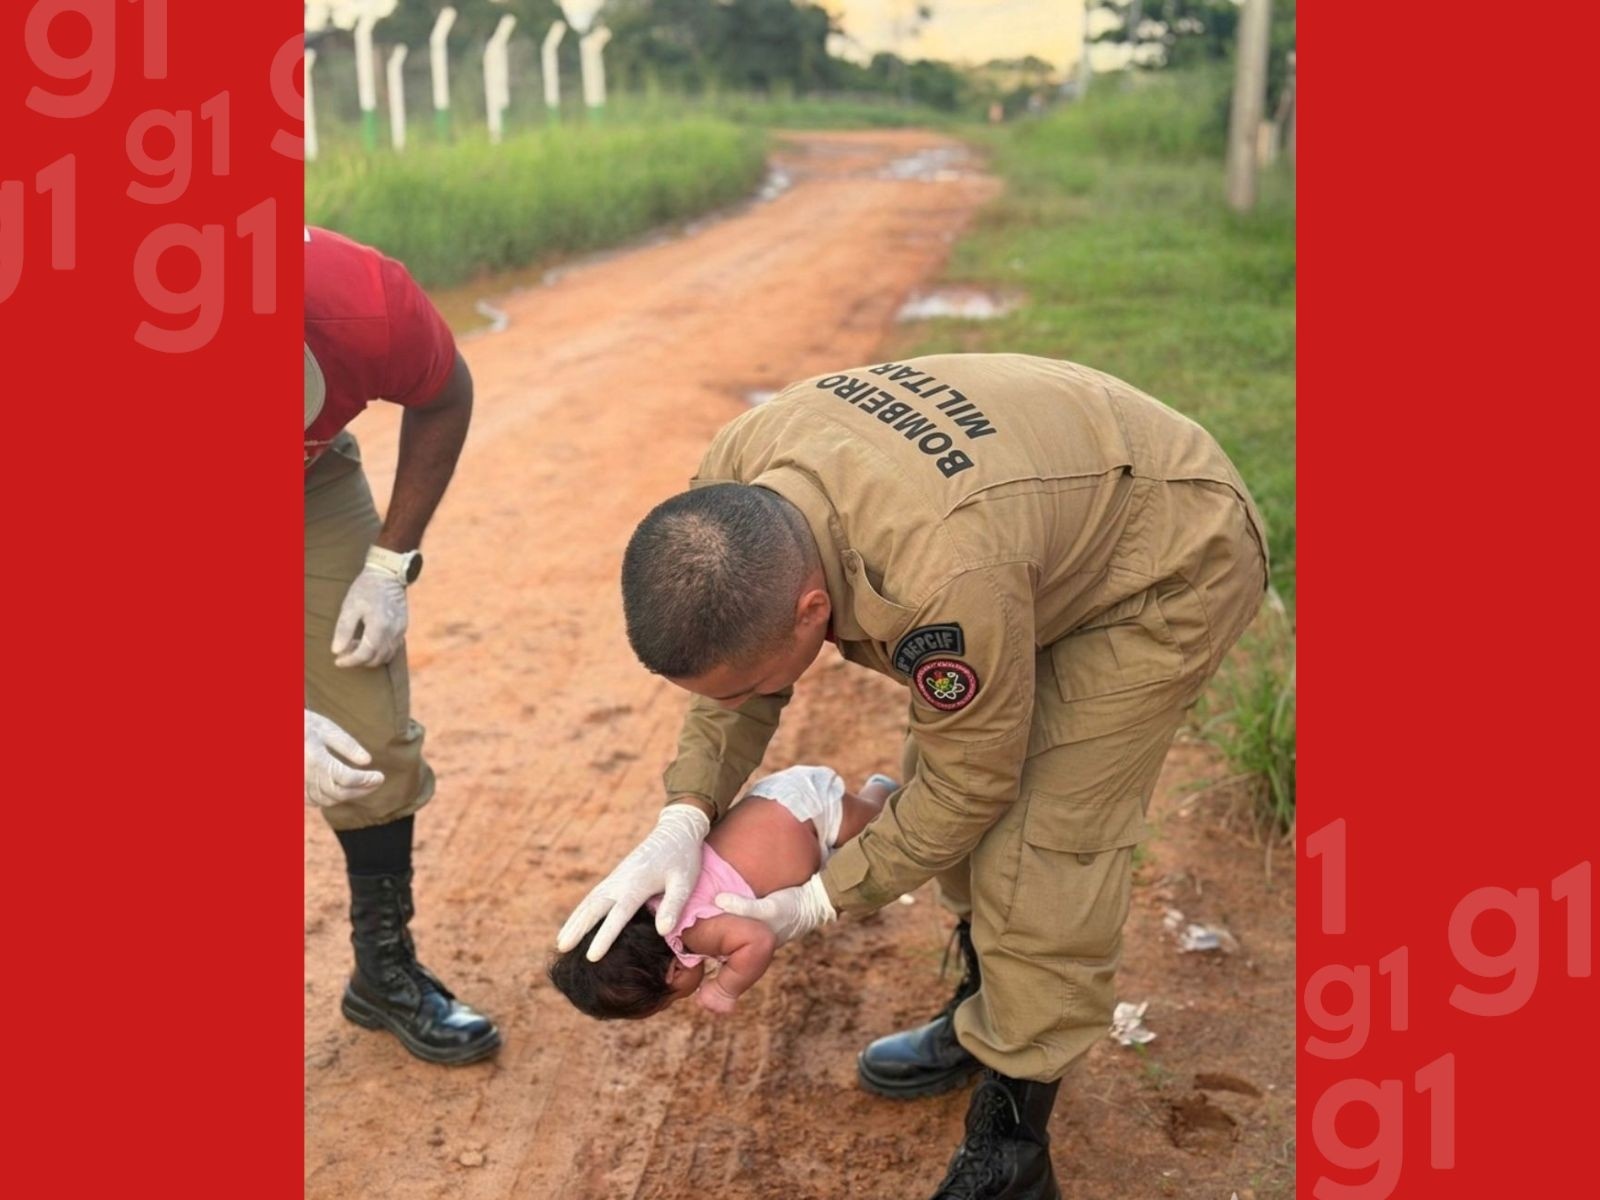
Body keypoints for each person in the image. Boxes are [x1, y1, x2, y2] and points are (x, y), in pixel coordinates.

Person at [558, 353, 1268, 1198]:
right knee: (938, 781)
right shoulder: (732, 492)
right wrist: (681, 815)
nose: (751, 698)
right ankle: (983, 1009)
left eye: (758, 681)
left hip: (1161, 561)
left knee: (1037, 842)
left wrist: (817, 901)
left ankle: (1014, 1142)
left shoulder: (942, 576)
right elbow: (742, 693)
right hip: (1029, 533)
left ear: (812, 610)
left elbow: (972, 787)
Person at [303, 225, 500, 1065]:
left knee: (367, 725)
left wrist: (388, 565)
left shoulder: (362, 302)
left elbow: (445, 395)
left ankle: (382, 970)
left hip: (305, 483)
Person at [550, 767, 895, 1020]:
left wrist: (726, 986)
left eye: (671, 1001)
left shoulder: (695, 933)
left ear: (674, 974)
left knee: (884, 824)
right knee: (869, 835)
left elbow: (757, 940)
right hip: (779, 802)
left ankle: (884, 789)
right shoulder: (654, 902)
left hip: (810, 814)